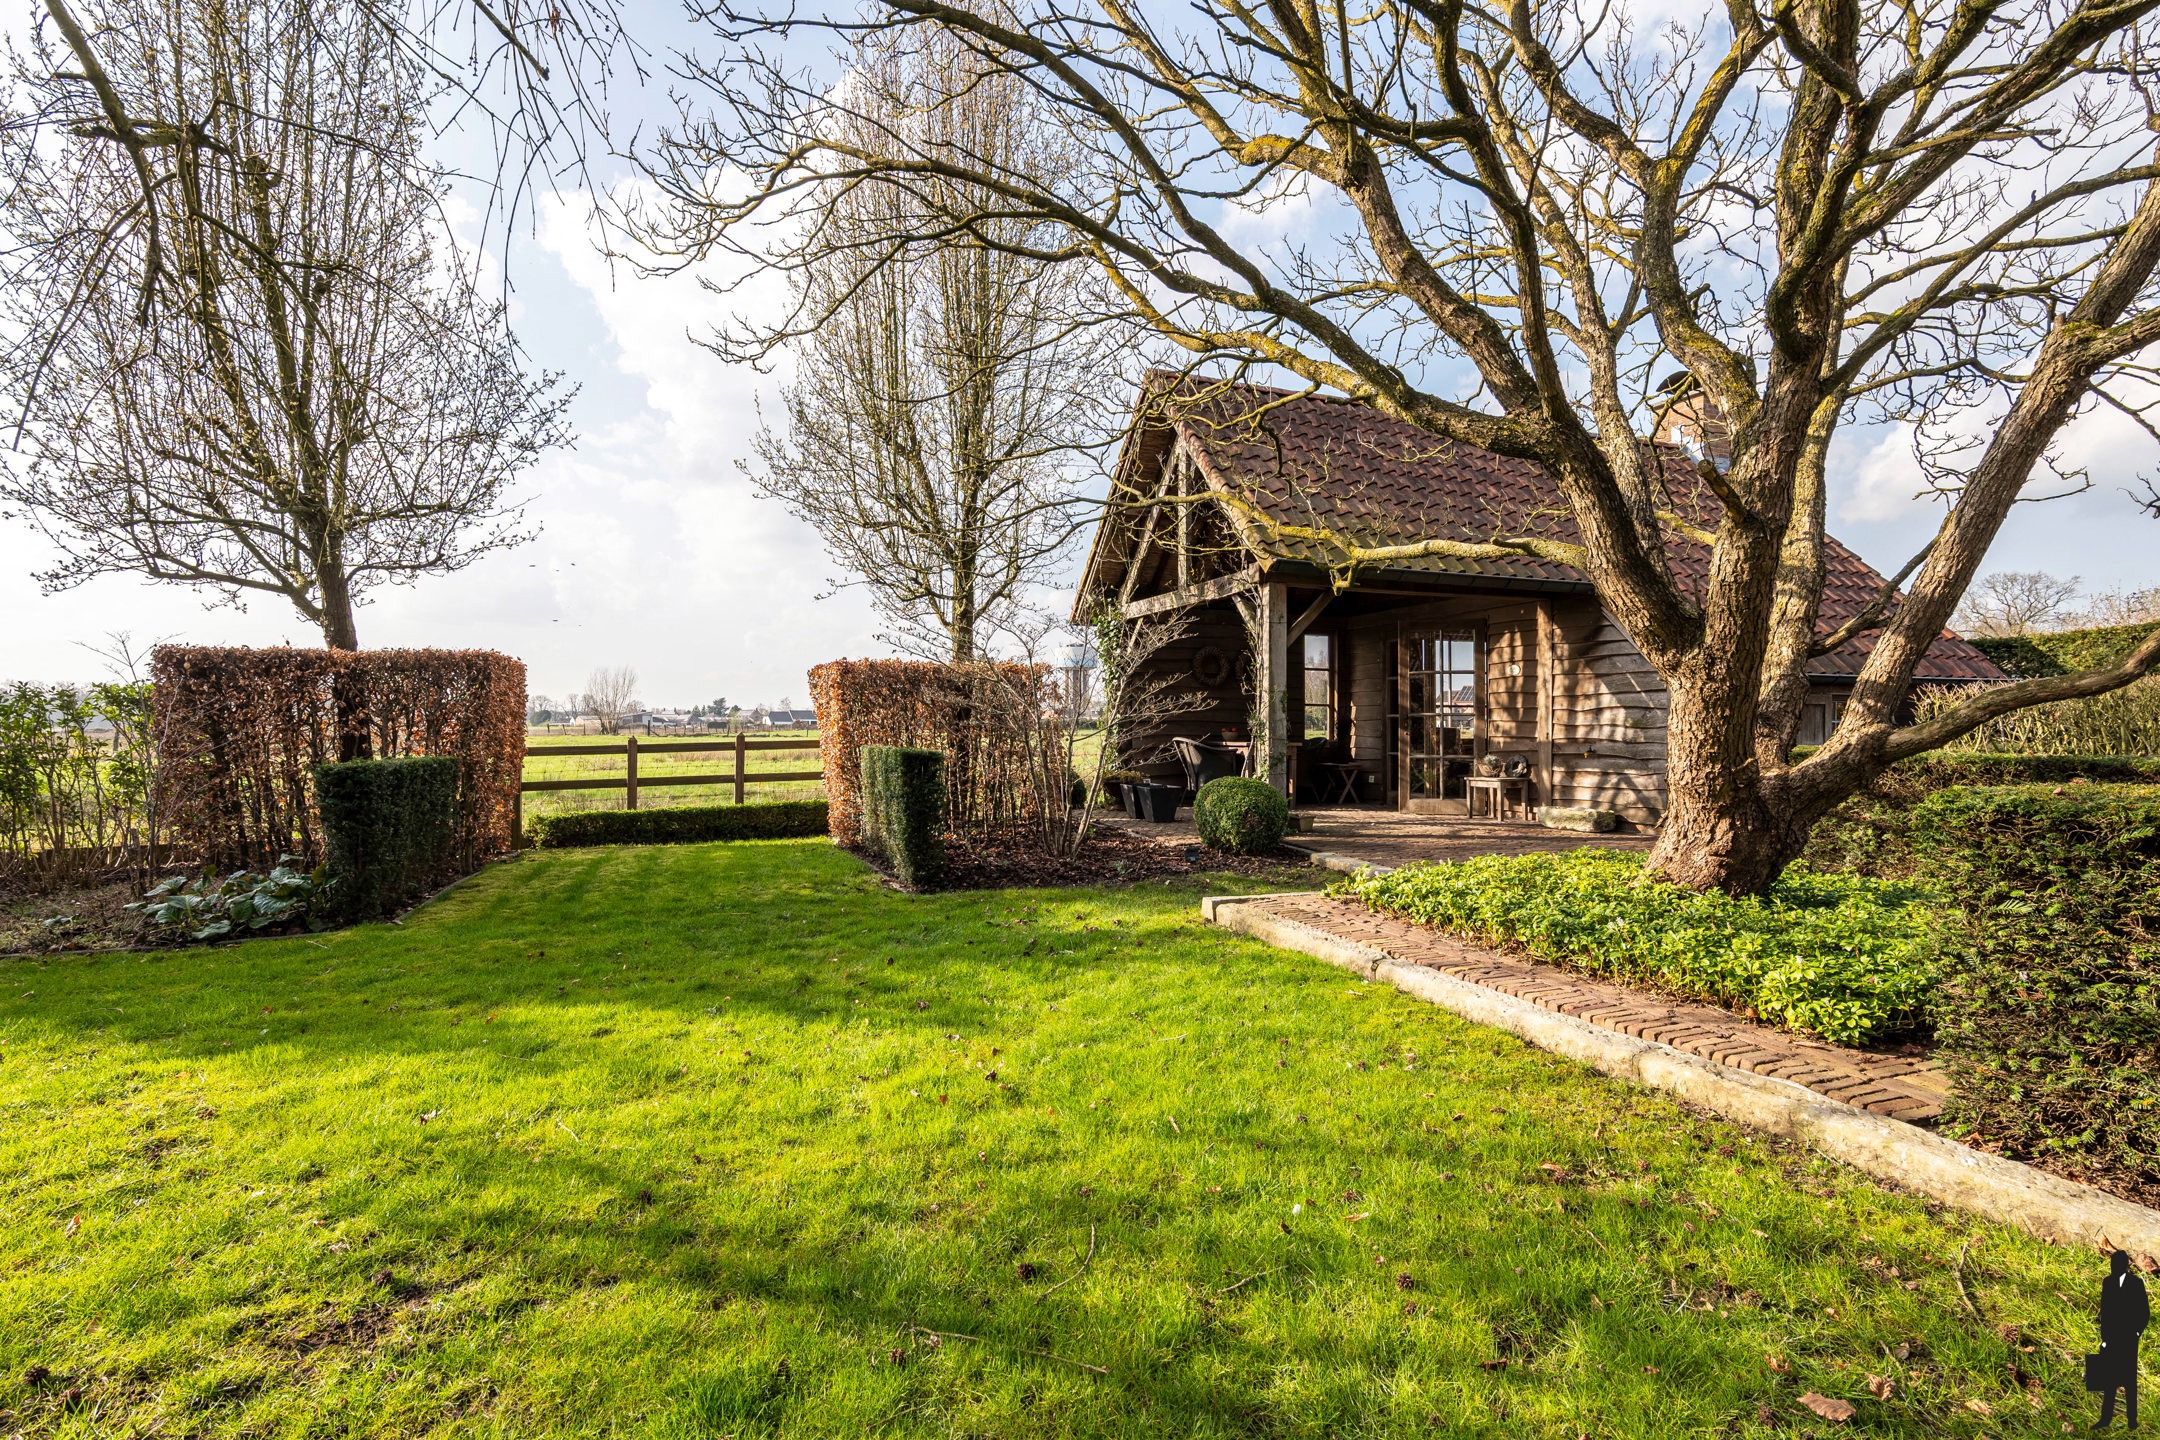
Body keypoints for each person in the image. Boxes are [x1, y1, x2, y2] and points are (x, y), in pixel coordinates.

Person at [2099, 1250, 2150, 1430]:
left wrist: (2136, 1333)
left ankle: (2132, 1420)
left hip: (2128, 1337)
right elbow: (2105, 1312)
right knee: (2110, 1379)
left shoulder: (2136, 1283)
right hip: (2112, 1337)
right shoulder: (2108, 1282)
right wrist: (2104, 1338)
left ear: (2125, 1265)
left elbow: (2144, 1311)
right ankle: (2105, 1418)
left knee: (2129, 1380)